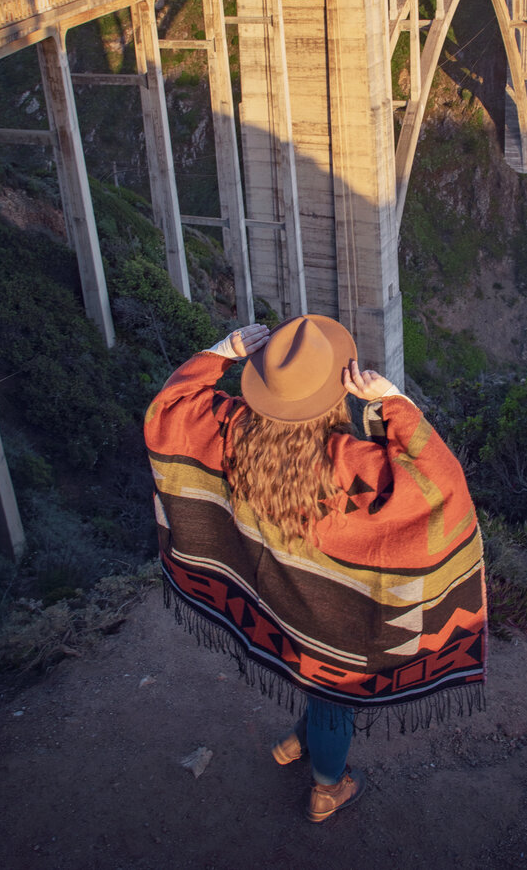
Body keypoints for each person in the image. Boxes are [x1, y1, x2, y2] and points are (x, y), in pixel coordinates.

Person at [144, 315, 486, 823]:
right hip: (328, 616)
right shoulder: (351, 468)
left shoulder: (230, 433)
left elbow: (167, 411)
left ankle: (296, 743)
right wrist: (393, 403)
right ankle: (328, 787)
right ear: (332, 397)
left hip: (274, 603)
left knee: (317, 686)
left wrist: (221, 352)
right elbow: (437, 487)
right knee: (335, 694)